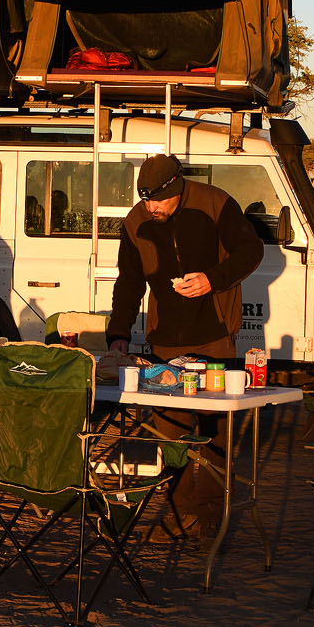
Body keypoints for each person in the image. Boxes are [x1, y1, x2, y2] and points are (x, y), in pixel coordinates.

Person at [106, 153, 263, 532]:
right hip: (165, 341)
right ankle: (179, 511)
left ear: (177, 188)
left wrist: (213, 279)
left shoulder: (215, 202)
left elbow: (251, 251)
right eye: (145, 199)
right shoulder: (136, 221)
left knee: (213, 430)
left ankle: (211, 515)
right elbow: (129, 282)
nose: (151, 207)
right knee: (169, 432)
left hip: (213, 335)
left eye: (158, 200)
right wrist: (119, 336)